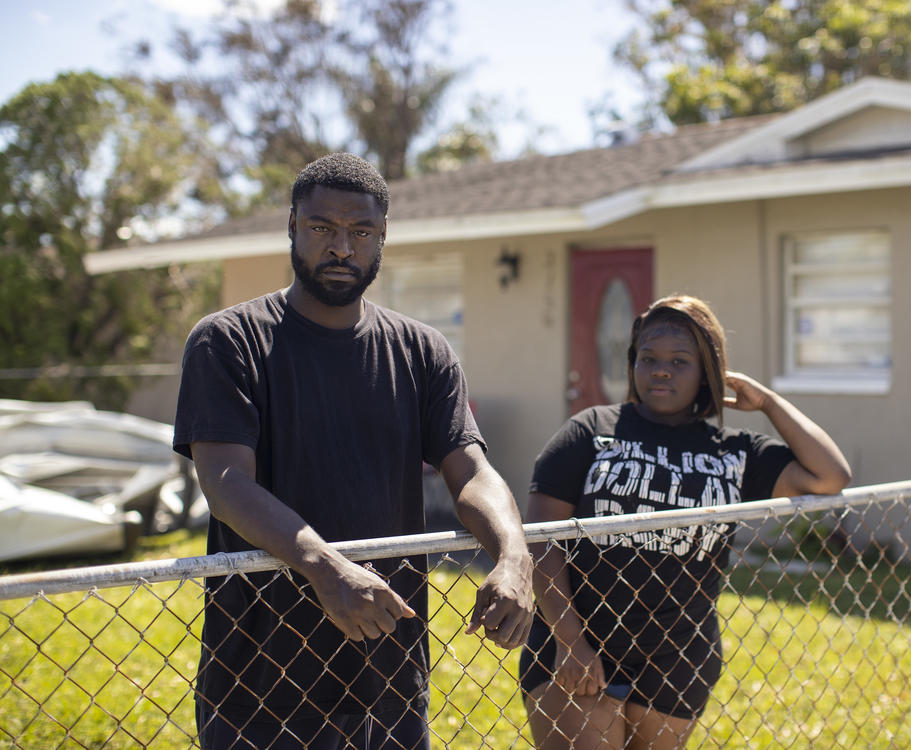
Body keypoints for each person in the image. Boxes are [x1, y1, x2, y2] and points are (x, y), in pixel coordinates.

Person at [173, 152, 533, 750]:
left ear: (382, 237)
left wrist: (514, 557)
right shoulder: (228, 341)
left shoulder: (422, 351)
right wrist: (326, 568)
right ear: (292, 226)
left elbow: (470, 470)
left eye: (360, 232)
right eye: (322, 228)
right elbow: (227, 482)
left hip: (387, 678)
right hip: (260, 684)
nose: (342, 248)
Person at [518, 294, 850, 749]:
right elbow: (540, 540)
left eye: (680, 360)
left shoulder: (734, 451)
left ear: (707, 372)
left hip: (680, 655)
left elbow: (830, 475)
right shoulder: (590, 431)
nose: (661, 370)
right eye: (649, 358)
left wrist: (769, 402)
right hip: (583, 639)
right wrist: (570, 639)